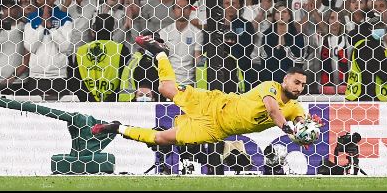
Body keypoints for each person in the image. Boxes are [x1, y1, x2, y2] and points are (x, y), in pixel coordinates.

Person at [93, 34, 309, 148]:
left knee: (161, 139)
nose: (298, 88)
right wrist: (289, 129)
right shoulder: (270, 86)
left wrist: (305, 135)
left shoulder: (294, 108)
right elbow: (272, 110)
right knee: (164, 88)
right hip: (215, 104)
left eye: (302, 86)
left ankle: (117, 128)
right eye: (296, 82)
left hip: (215, 130)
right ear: (285, 80)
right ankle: (160, 53)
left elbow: (301, 120)